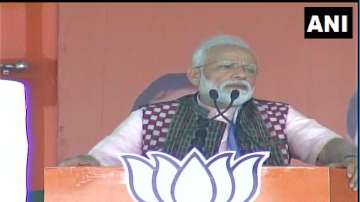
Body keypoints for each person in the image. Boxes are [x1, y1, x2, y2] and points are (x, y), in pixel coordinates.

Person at [59, 34, 357, 191]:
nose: (240, 73)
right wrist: (88, 163)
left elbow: (322, 143)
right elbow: (105, 157)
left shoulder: (277, 115)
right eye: (227, 67)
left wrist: (347, 157)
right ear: (194, 74)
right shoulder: (151, 118)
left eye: (249, 69)